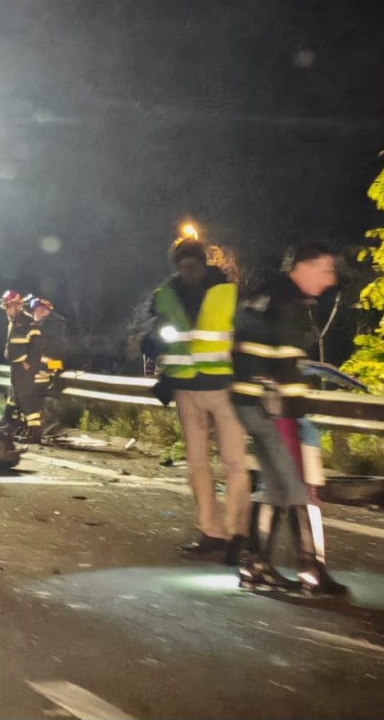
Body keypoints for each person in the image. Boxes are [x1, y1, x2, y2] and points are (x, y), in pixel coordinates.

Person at [231, 242, 348, 596]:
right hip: (272, 408)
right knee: (293, 486)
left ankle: (257, 565)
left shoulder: (269, 296)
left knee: (279, 487)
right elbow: (281, 367)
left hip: (254, 404)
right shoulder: (285, 303)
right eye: (325, 270)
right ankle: (308, 568)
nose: (329, 281)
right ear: (304, 267)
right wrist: (294, 413)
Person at [142, 238, 249, 563]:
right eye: (183, 263)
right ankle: (216, 534)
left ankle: (234, 535)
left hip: (221, 389)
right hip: (193, 389)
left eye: (191, 262)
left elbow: (243, 336)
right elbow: (157, 338)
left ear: (202, 262)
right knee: (206, 466)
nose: (187, 269)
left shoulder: (225, 293)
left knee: (231, 464)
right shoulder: (169, 296)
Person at [0, 290, 38, 436]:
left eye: (9, 306)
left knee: (26, 397)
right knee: (15, 396)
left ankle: (33, 431)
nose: (6, 310)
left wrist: (28, 362)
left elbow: (37, 345)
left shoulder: (27, 321)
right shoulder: (13, 322)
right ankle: (14, 424)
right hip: (16, 365)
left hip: (24, 367)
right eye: (5, 307)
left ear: (17, 306)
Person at [26, 296, 66, 440]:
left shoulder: (47, 325)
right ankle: (46, 428)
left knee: (40, 395)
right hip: (51, 364)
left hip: (48, 364)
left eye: (35, 309)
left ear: (43, 309)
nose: (33, 312)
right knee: (43, 395)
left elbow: (43, 347)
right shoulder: (55, 323)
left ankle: (45, 428)